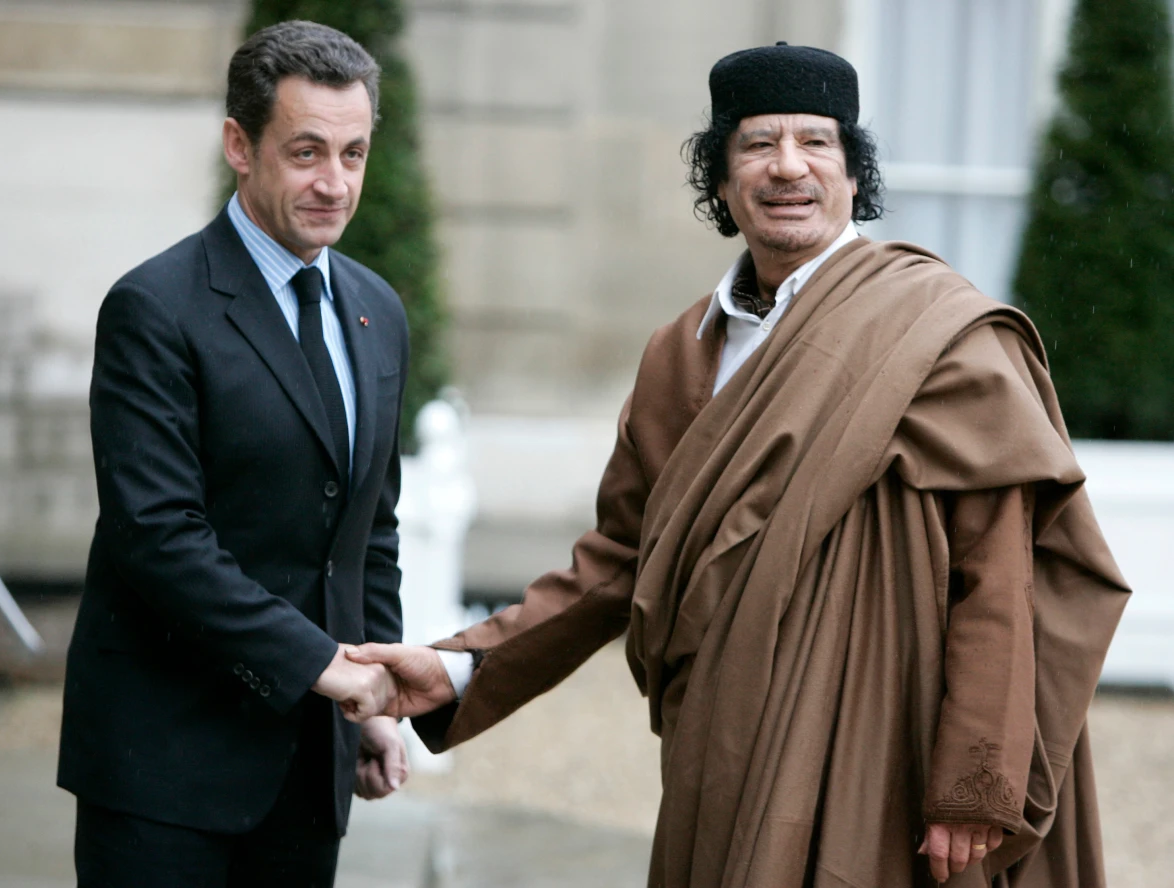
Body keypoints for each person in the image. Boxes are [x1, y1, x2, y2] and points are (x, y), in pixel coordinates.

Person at [350, 44, 1130, 887]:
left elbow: (1000, 572)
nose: (787, 167)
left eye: (816, 143)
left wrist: (975, 783)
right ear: (720, 179)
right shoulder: (679, 356)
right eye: (758, 145)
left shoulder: (940, 336)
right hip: (721, 744)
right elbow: (618, 560)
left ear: (852, 173)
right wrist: (462, 665)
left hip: (885, 749)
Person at [58, 20, 406, 887]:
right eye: (307, 152)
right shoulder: (154, 308)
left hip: (307, 768)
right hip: (162, 768)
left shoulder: (377, 309)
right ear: (238, 146)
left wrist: (377, 693)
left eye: (354, 154)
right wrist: (325, 668)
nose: (335, 183)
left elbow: (372, 526)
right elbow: (158, 536)